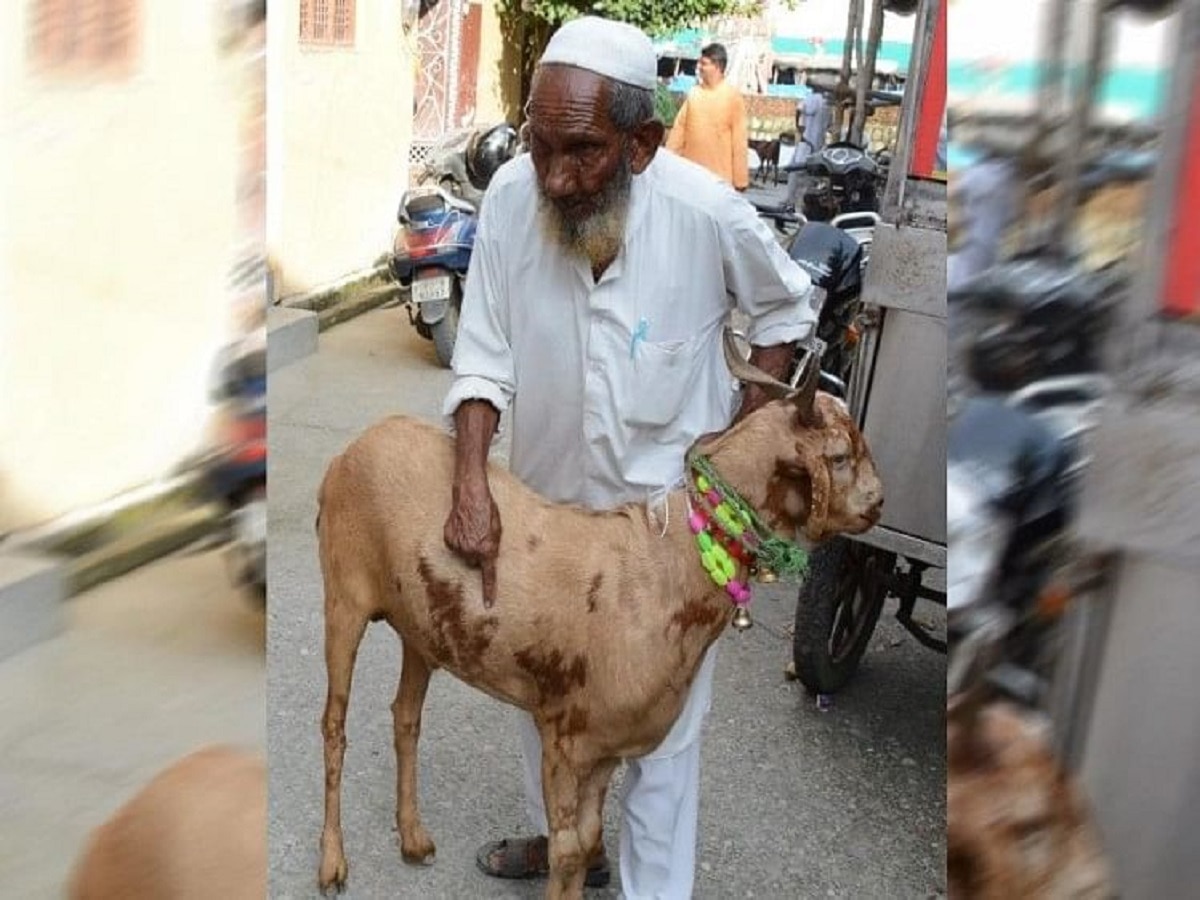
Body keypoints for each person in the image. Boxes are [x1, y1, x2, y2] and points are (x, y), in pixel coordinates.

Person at [440, 16, 816, 900]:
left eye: (583, 153)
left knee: (662, 737)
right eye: (540, 146)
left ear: (643, 145)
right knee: (544, 696)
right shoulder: (509, 199)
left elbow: (786, 317)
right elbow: (483, 354)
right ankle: (568, 840)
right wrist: (469, 483)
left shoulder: (704, 213)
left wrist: (741, 444)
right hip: (546, 520)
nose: (556, 177)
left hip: (672, 542)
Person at [664, 42, 750, 190]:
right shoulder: (694, 94)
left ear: (717, 66)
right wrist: (666, 164)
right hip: (690, 177)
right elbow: (679, 131)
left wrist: (740, 180)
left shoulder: (732, 97)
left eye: (704, 64)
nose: (699, 68)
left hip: (720, 181)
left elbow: (739, 141)